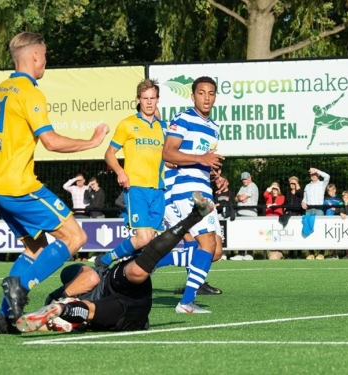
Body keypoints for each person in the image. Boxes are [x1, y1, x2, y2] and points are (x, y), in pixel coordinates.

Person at [0, 31, 109, 328]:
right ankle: (21, 287)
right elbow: (51, 142)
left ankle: (3, 316)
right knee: (75, 237)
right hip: (20, 186)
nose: (46, 61)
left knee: (35, 248)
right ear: (35, 56)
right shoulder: (31, 93)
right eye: (45, 55)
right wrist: (91, 142)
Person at [12, 192, 214, 333]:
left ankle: (62, 307)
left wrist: (60, 301)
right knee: (90, 307)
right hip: (126, 312)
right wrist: (56, 317)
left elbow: (80, 277)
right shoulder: (86, 285)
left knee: (133, 272)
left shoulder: (85, 277)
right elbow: (33, 324)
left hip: (119, 295)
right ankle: (64, 310)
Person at [160, 76, 225, 312]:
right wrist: (200, 159)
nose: (206, 98)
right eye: (201, 93)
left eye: (211, 93)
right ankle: (186, 302)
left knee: (214, 251)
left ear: (215, 97)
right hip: (188, 191)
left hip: (203, 189)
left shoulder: (214, 128)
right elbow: (168, 153)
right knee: (205, 245)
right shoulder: (183, 118)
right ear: (193, 95)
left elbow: (205, 163)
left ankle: (148, 262)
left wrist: (217, 177)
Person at [96, 78, 166, 269]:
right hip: (136, 187)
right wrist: (120, 172)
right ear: (138, 100)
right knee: (143, 237)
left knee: (149, 239)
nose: (149, 102)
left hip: (158, 189)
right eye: (145, 98)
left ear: (158, 99)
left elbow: (170, 156)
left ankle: (124, 269)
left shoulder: (164, 127)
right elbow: (109, 153)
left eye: (153, 98)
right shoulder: (128, 124)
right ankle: (105, 260)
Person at [301, 167, 330, 260]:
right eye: (312, 175)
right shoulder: (307, 186)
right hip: (309, 210)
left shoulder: (322, 184)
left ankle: (321, 253)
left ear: (317, 175)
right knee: (308, 230)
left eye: (315, 174)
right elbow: (305, 197)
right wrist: (303, 202)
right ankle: (311, 253)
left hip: (319, 210)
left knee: (320, 231)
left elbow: (327, 176)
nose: (313, 176)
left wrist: (317, 170)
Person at [231, 172, 259, 261]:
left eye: (245, 179)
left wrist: (240, 197)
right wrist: (240, 197)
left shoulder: (253, 186)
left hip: (250, 213)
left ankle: (250, 254)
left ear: (250, 178)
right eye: (243, 179)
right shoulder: (242, 187)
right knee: (241, 234)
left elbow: (240, 198)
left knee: (250, 234)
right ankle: (240, 253)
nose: (244, 181)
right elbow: (236, 198)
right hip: (240, 213)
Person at [325, 184, 343, 259]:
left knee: (337, 236)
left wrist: (333, 204)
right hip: (328, 222)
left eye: (332, 190)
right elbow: (324, 203)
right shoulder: (326, 198)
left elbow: (341, 203)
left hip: (337, 220)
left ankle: (336, 253)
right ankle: (332, 253)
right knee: (330, 236)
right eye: (329, 191)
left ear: (335, 190)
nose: (330, 192)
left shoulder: (339, 199)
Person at [335, 190, 348, 259]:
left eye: (347, 197)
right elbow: (336, 210)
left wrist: (346, 205)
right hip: (341, 225)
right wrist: (341, 212)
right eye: (344, 197)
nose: (345, 199)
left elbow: (347, 213)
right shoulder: (340, 203)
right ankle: (335, 254)